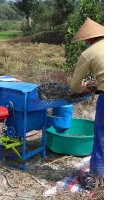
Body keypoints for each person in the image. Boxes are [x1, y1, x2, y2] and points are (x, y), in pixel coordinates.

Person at [70, 17, 104, 190]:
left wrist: (84, 88)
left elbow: (74, 86)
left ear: (88, 39)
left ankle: (96, 180)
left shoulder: (89, 53)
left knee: (101, 137)